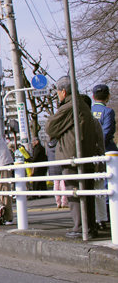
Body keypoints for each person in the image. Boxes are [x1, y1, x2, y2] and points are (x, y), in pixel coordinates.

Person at [45, 76, 98, 238]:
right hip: (85, 153)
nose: (58, 95)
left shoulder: (69, 106)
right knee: (87, 193)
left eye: (58, 92)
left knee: (74, 192)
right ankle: (89, 226)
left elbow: (50, 127)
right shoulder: (82, 105)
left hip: (72, 155)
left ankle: (79, 227)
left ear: (64, 91)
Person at [92, 84, 116, 230]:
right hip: (107, 151)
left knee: (96, 186)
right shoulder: (108, 112)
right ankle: (108, 215)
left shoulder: (88, 111)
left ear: (93, 97)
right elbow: (107, 132)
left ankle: (99, 218)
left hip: (91, 153)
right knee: (111, 183)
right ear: (108, 96)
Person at [83, 94, 107, 230]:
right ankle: (102, 219)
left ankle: (92, 221)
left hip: (89, 163)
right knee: (99, 193)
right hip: (98, 160)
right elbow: (101, 142)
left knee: (90, 193)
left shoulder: (85, 121)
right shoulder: (94, 121)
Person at [46, 138, 68, 209]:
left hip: (52, 167)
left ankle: (58, 202)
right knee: (63, 183)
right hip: (60, 165)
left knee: (56, 184)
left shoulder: (48, 145)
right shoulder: (59, 143)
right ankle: (64, 201)